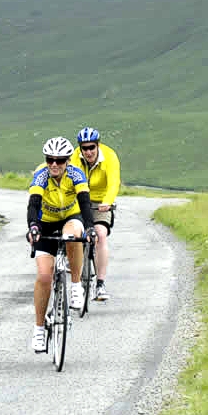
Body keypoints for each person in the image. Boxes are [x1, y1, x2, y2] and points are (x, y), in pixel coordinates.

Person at [26, 136, 96, 352]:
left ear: (67, 161)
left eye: (59, 160)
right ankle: (39, 329)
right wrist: (33, 227)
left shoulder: (76, 174)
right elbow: (33, 204)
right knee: (44, 277)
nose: (54, 164)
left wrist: (91, 228)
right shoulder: (41, 175)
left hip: (70, 217)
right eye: (50, 160)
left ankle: (76, 286)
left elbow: (85, 203)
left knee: (73, 234)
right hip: (45, 223)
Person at [70, 126, 121, 301]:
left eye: (92, 147)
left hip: (101, 203)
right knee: (74, 233)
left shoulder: (110, 156)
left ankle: (100, 284)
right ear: (80, 148)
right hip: (79, 199)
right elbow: (69, 179)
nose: (88, 151)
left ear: (98, 145)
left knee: (100, 234)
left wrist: (107, 201)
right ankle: (73, 263)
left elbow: (114, 182)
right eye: (85, 148)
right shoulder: (75, 157)